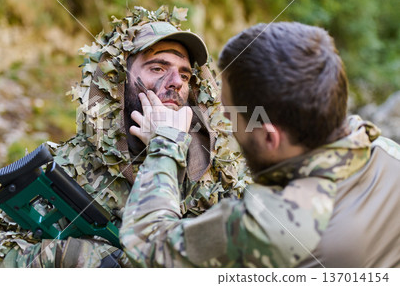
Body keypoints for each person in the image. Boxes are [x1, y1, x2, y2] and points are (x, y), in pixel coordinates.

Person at [0, 6, 248, 268]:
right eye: (158, 68)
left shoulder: (216, 176)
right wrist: (77, 258)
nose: (175, 84)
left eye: (184, 75)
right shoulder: (68, 167)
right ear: (118, 82)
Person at [120, 22, 400, 267]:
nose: (224, 122)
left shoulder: (269, 225)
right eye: (157, 67)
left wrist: (166, 142)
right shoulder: (389, 153)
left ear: (269, 138)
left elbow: (147, 245)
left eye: (231, 116)